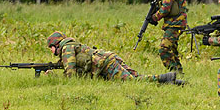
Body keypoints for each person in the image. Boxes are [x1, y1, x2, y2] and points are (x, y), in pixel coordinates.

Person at [46, 31, 184, 85]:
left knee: (132, 83)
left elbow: (71, 74)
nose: (51, 50)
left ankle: (165, 77)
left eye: (50, 47)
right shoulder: (72, 45)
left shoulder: (66, 48)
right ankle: (173, 82)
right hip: (110, 58)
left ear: (56, 43)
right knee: (135, 78)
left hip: (106, 64)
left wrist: (53, 78)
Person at [148, 0, 187, 74]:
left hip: (175, 23)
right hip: (175, 23)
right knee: (172, 50)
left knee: (164, 49)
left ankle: (173, 73)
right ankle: (179, 74)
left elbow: (165, 8)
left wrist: (154, 17)